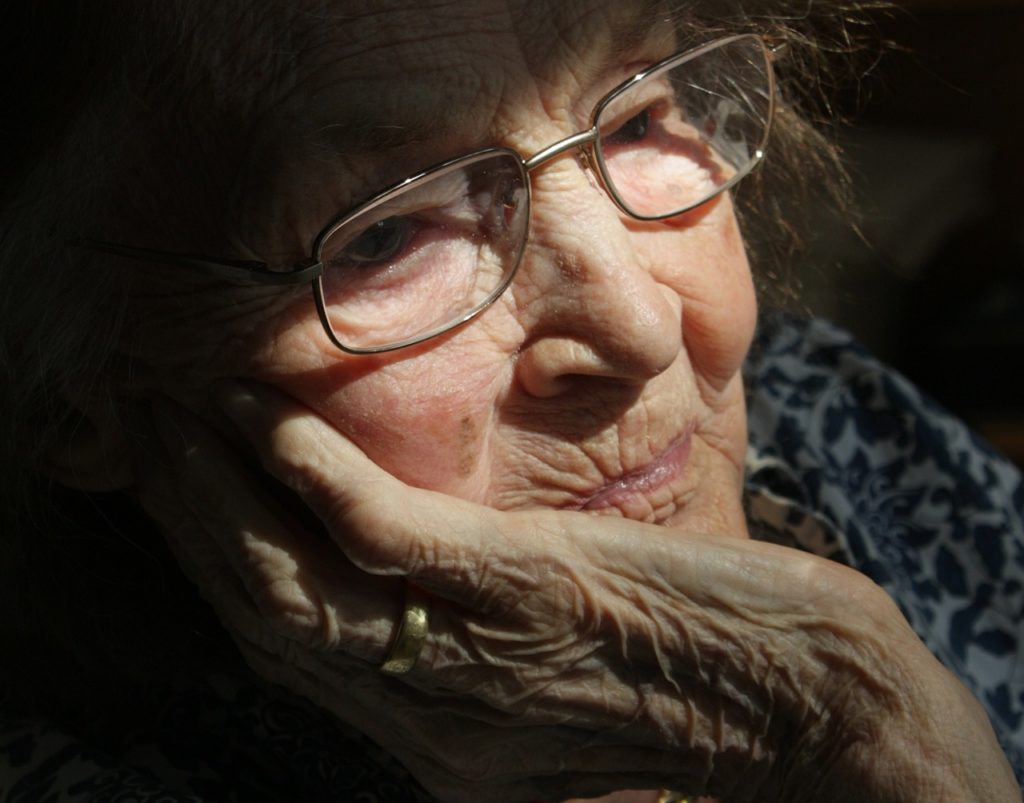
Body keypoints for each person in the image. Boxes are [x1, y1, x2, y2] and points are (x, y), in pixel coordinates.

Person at [0, 1, 1021, 801]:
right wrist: (842, 734)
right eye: (386, 233)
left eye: (633, 117)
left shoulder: (831, 410)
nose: (641, 327)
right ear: (71, 396)